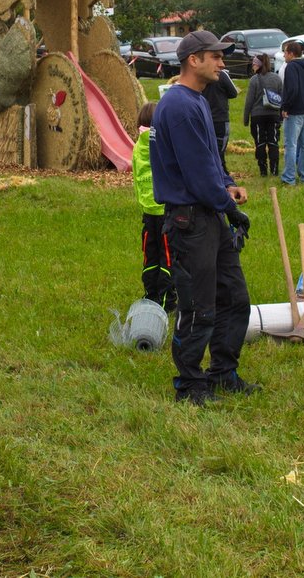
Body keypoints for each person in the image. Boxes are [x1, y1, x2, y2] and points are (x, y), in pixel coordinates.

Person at [151, 30, 255, 405]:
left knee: (234, 298)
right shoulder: (178, 107)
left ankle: (223, 373)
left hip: (210, 214)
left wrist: (228, 185)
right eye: (216, 57)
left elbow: (212, 159)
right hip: (190, 220)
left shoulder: (197, 100)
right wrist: (231, 208)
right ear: (194, 60)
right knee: (199, 306)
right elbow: (196, 175)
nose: (222, 63)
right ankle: (190, 384)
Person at [132, 101, 175, 312]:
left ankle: (150, 296)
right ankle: (166, 302)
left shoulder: (137, 147)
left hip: (148, 211)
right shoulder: (163, 143)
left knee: (150, 256)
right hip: (166, 211)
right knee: (167, 258)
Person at [280, 40, 304, 185]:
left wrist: (285, 107)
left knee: (291, 145)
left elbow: (292, 89)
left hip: (294, 111)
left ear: (291, 53)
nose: (283, 56)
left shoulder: (291, 67)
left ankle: (289, 178)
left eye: (285, 52)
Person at [242, 54, 282, 177]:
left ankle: (263, 170)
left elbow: (249, 100)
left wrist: (246, 118)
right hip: (274, 114)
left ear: (258, 65)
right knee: (273, 142)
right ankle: (274, 170)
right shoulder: (277, 78)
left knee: (260, 142)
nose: (252, 66)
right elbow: (281, 96)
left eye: (254, 64)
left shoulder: (254, 80)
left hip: (257, 115)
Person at [201, 69, 238, 174]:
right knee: (219, 151)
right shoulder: (222, 75)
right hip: (220, 118)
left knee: (208, 149)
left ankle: (218, 173)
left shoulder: (201, 74)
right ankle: (221, 176)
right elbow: (233, 92)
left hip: (205, 117)